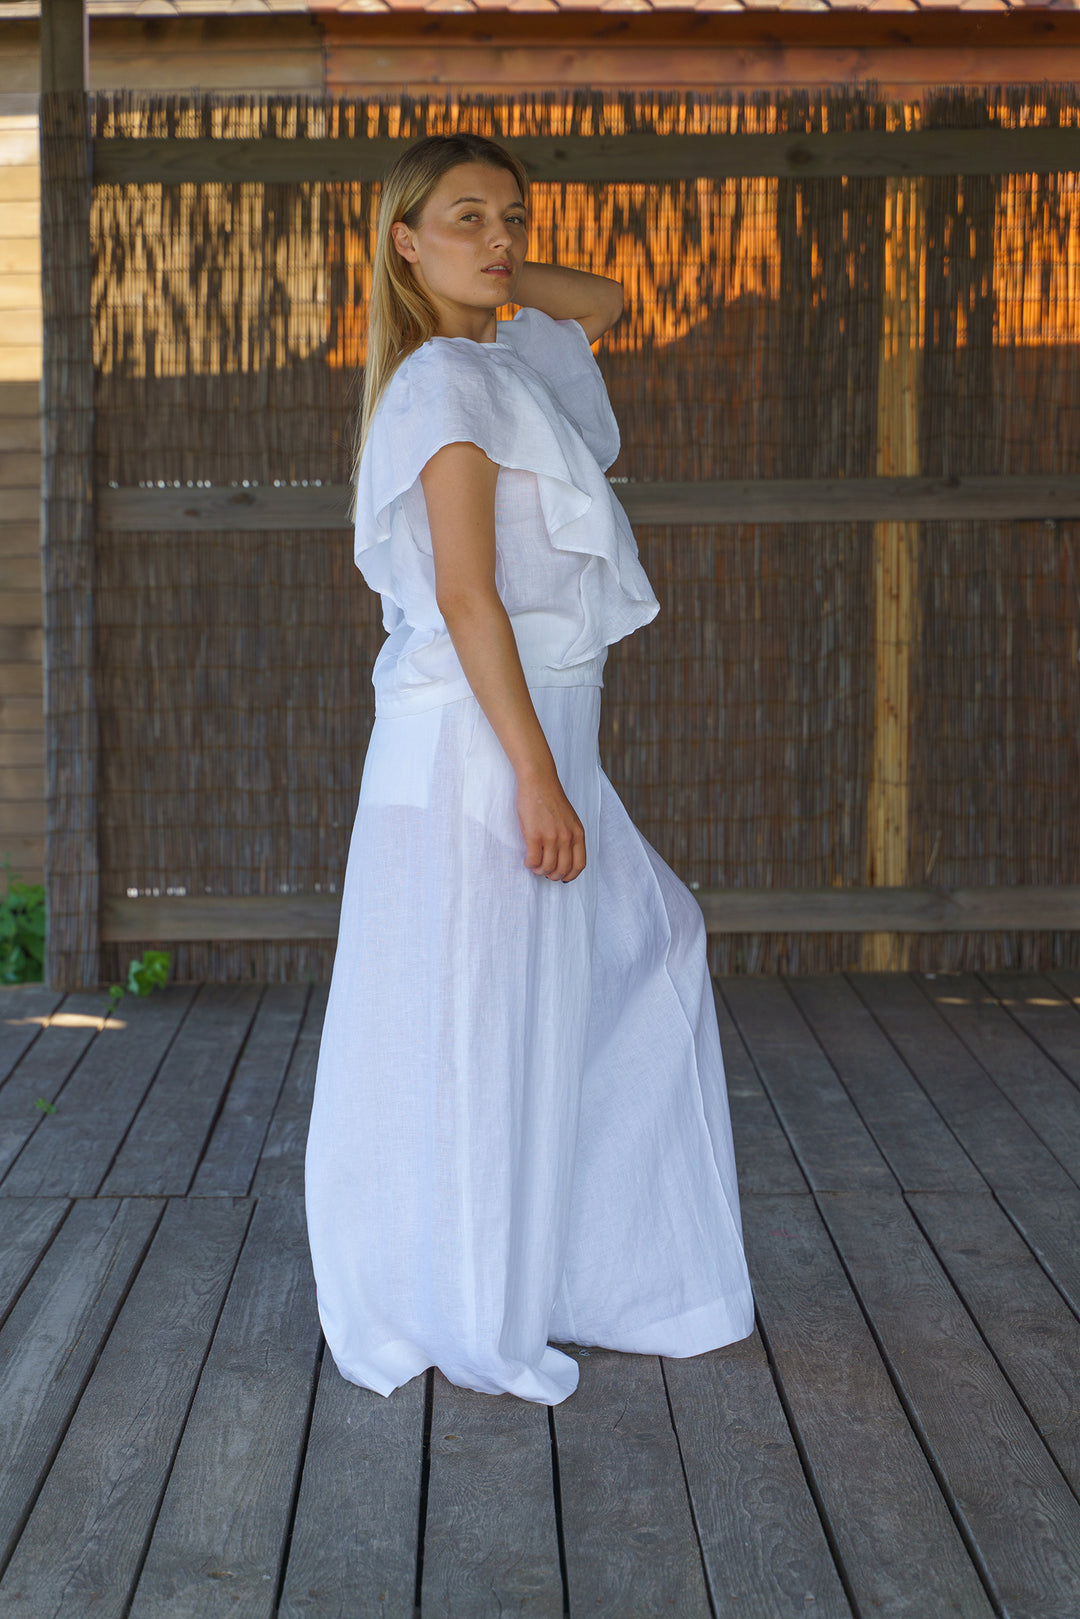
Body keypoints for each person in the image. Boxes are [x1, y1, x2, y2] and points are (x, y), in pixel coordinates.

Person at [303, 132, 754, 1406]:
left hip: (534, 731)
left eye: (512, 214)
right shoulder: (445, 381)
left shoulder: (501, 354)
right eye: (463, 216)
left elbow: (601, 303)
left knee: (602, 971)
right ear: (401, 237)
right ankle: (467, 1289)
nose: (501, 237)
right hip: (478, 748)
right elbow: (464, 592)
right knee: (477, 1021)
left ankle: (558, 1266)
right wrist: (538, 780)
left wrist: (491, 264)